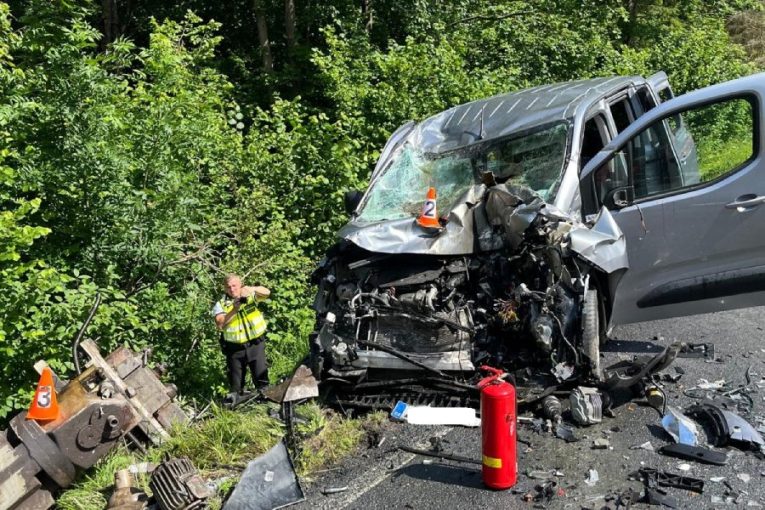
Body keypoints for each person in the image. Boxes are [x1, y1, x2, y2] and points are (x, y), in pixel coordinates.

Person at [211, 274, 271, 401]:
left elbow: (267, 292)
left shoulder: (249, 295)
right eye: (228, 287)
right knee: (236, 385)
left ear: (240, 285)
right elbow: (220, 323)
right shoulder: (221, 304)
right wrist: (234, 309)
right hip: (235, 349)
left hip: (255, 345)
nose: (232, 289)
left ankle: (265, 403)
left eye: (234, 286)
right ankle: (237, 405)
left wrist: (252, 289)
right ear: (224, 288)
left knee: (262, 380)